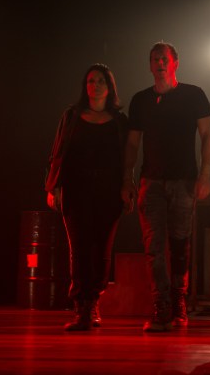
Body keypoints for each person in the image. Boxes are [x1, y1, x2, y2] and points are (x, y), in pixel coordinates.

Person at [121, 42, 210, 332]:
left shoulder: (193, 94)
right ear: (149, 65)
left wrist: (206, 174)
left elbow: (207, 135)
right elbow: (132, 143)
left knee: (180, 244)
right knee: (154, 247)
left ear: (175, 63)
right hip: (151, 181)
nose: (159, 63)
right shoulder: (141, 100)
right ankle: (161, 305)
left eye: (164, 58)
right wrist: (127, 178)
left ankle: (178, 301)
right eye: (155, 59)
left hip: (184, 180)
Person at [45, 63, 129, 331]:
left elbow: (128, 158)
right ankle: (81, 306)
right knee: (79, 248)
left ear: (110, 86)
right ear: (85, 86)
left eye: (101, 81)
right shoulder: (72, 116)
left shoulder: (119, 121)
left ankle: (94, 301)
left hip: (108, 191)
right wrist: (53, 187)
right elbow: (59, 152)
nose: (96, 85)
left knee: (101, 249)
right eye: (91, 81)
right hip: (76, 189)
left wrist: (127, 187)